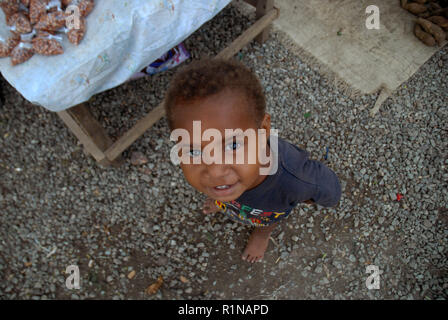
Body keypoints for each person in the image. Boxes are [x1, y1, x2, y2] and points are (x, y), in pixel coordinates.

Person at [164, 58, 341, 263]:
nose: (214, 171)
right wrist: (220, 197)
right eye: (194, 151)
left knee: (267, 218)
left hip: (265, 214)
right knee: (221, 189)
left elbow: (328, 187)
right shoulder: (219, 176)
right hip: (235, 199)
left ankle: (261, 234)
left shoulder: (294, 179)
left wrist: (309, 197)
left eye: (232, 146)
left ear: (263, 130)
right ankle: (224, 203)